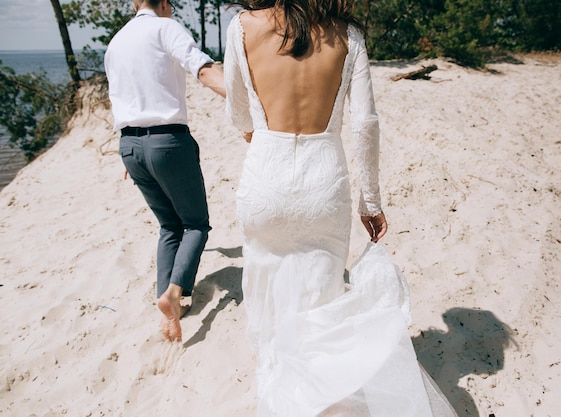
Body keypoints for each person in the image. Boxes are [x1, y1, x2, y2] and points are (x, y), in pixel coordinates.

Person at [224, 0, 459, 415]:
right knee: (320, 298)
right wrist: (372, 201)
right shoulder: (347, 36)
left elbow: (237, 112)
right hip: (323, 181)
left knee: (265, 284)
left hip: (265, 174)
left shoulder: (243, 27)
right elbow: (365, 123)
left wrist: (259, 131)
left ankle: (280, 394)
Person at [104, 0, 226, 342]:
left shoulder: (116, 42)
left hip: (130, 147)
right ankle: (174, 294)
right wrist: (245, 100)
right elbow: (201, 68)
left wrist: (134, 154)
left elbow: (120, 98)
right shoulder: (164, 27)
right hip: (167, 143)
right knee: (195, 224)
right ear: (165, 3)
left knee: (168, 226)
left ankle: (167, 306)